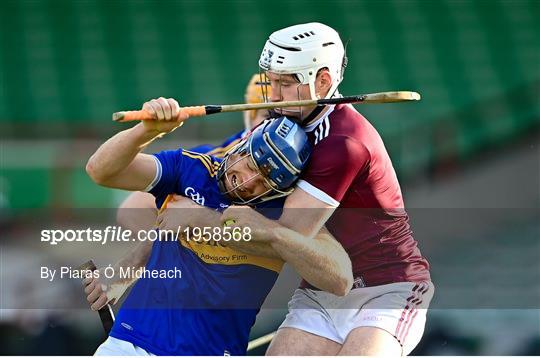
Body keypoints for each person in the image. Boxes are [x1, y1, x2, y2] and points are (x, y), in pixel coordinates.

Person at [148, 22, 433, 356]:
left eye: (285, 83)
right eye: (272, 81)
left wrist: (200, 218)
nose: (275, 94)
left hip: (387, 289)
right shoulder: (280, 120)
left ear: (323, 81)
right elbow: (220, 177)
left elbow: (288, 234)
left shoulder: (345, 142)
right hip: (320, 291)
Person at [84, 102, 352, 355]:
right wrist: (146, 131)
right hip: (129, 342)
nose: (248, 182)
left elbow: (340, 279)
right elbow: (101, 171)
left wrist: (262, 232)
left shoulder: (283, 212)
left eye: (266, 180)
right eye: (251, 164)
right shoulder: (191, 167)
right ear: (242, 147)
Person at [116, 73, 273, 233]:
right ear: (249, 116)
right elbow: (132, 209)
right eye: (268, 116)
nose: (276, 124)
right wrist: (170, 251)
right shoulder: (210, 158)